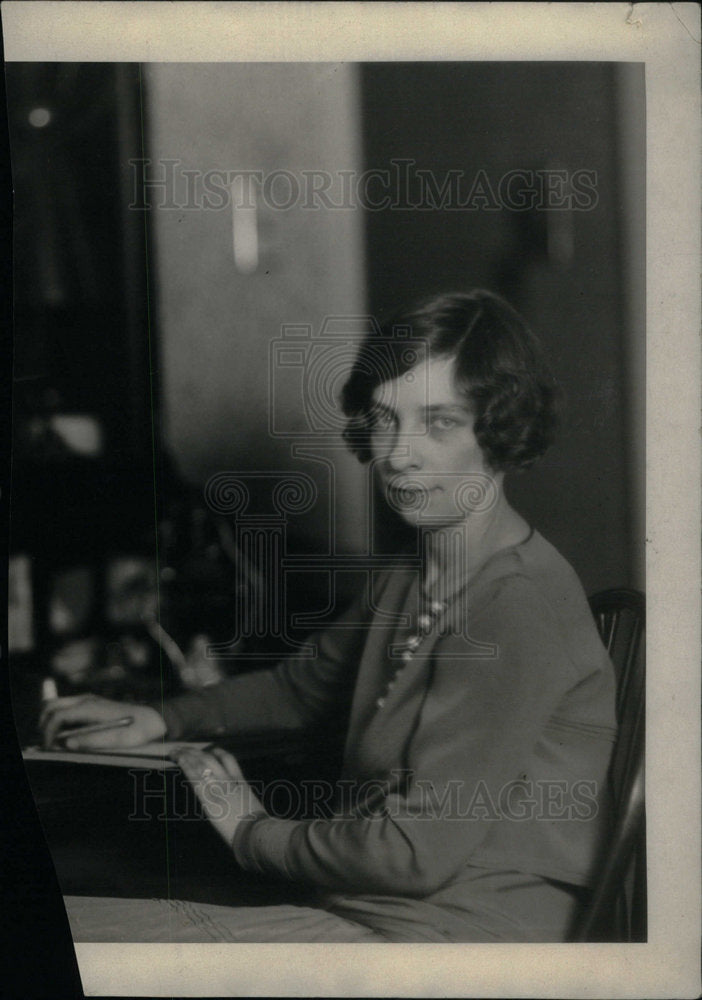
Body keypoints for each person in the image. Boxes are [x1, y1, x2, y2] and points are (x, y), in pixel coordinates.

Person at [41, 290, 617, 943]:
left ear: (500, 426)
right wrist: (157, 718)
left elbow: (411, 852)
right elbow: (302, 687)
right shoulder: (414, 573)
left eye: (439, 422)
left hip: (456, 946)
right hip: (367, 912)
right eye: (383, 418)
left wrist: (255, 833)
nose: (398, 455)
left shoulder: (513, 607)